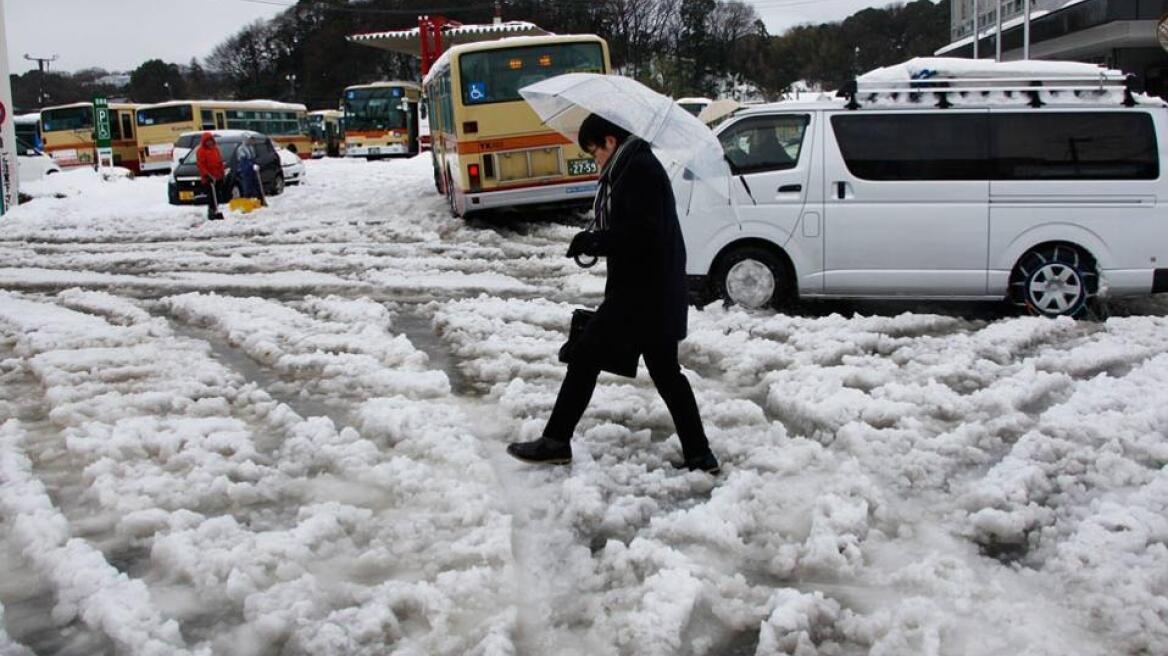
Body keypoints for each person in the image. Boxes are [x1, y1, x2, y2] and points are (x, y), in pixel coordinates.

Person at [506, 114, 720, 475]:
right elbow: (634, 228)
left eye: (594, 152)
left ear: (609, 141)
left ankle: (556, 440)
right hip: (651, 291)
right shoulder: (632, 166)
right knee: (666, 373)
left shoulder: (638, 171)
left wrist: (595, 240)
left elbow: (640, 235)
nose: (595, 161)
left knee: (586, 355)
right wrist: (595, 237)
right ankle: (700, 455)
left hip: (641, 294)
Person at [195, 132, 226, 220]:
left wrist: (222, 174)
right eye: (207, 141)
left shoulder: (215, 149)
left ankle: (216, 209)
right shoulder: (201, 151)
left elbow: (220, 162)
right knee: (212, 196)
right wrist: (207, 175)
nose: (209, 143)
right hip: (209, 178)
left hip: (217, 176)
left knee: (217, 195)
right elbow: (201, 165)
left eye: (211, 141)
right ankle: (212, 212)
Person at [235, 135, 260, 200]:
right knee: (247, 187)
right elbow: (243, 161)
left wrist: (255, 164)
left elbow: (253, 158)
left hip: (252, 170)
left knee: (256, 185)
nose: (251, 141)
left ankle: (258, 200)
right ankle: (247, 202)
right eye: (250, 140)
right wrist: (251, 165)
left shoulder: (251, 148)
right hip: (246, 171)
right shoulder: (241, 149)